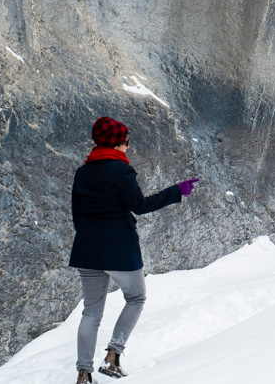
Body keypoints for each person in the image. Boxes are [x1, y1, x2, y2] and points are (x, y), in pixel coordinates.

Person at [69, 117, 200, 383]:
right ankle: (113, 355)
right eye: (127, 141)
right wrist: (177, 191)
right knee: (136, 298)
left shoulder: (83, 172)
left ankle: (83, 373)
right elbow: (139, 205)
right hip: (120, 249)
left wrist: (90, 238)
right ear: (117, 143)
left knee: (91, 312)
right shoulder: (121, 171)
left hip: (87, 249)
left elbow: (77, 215)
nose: (128, 146)